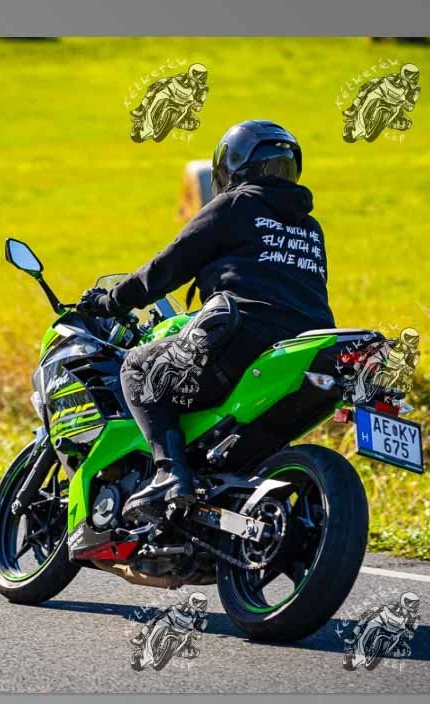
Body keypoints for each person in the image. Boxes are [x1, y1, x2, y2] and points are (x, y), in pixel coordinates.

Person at [78, 120, 335, 513]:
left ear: (233, 166)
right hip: (308, 344)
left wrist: (112, 301)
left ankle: (169, 473)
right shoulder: (310, 227)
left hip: (244, 334)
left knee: (139, 367)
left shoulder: (236, 204)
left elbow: (168, 267)